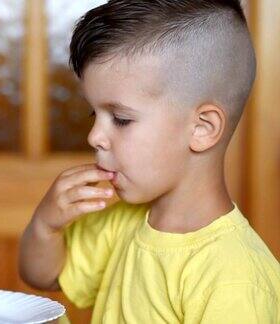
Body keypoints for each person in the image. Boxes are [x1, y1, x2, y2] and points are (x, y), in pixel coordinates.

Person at [18, 0, 280, 323]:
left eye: (120, 119)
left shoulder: (235, 278)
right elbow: (43, 275)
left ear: (202, 128)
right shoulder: (121, 222)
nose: (94, 136)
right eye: (94, 114)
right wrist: (46, 226)